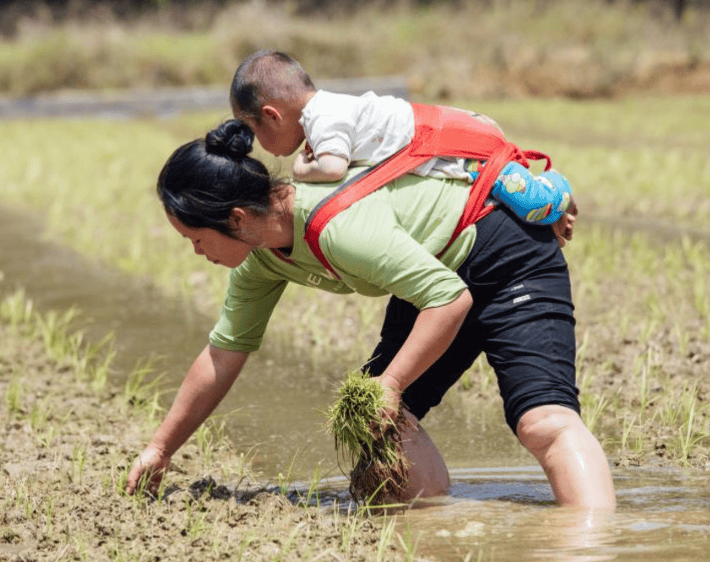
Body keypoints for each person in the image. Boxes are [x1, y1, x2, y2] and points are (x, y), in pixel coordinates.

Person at [126, 119, 616, 510]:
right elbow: (222, 354)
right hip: (436, 270)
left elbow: (450, 300)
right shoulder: (262, 259)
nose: (196, 252)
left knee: (542, 421)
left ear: (235, 218)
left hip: (506, 253)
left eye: (196, 239)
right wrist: (161, 449)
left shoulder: (337, 226)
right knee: (374, 422)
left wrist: (393, 382)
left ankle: (597, 542)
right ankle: (447, 517)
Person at [230, 49, 576, 245]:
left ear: (272, 115)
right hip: (450, 142)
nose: (260, 146)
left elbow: (333, 168)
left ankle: (558, 187)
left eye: (254, 133)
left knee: (534, 205)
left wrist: (301, 170)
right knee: (517, 213)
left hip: (460, 145)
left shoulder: (323, 119)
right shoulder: (328, 110)